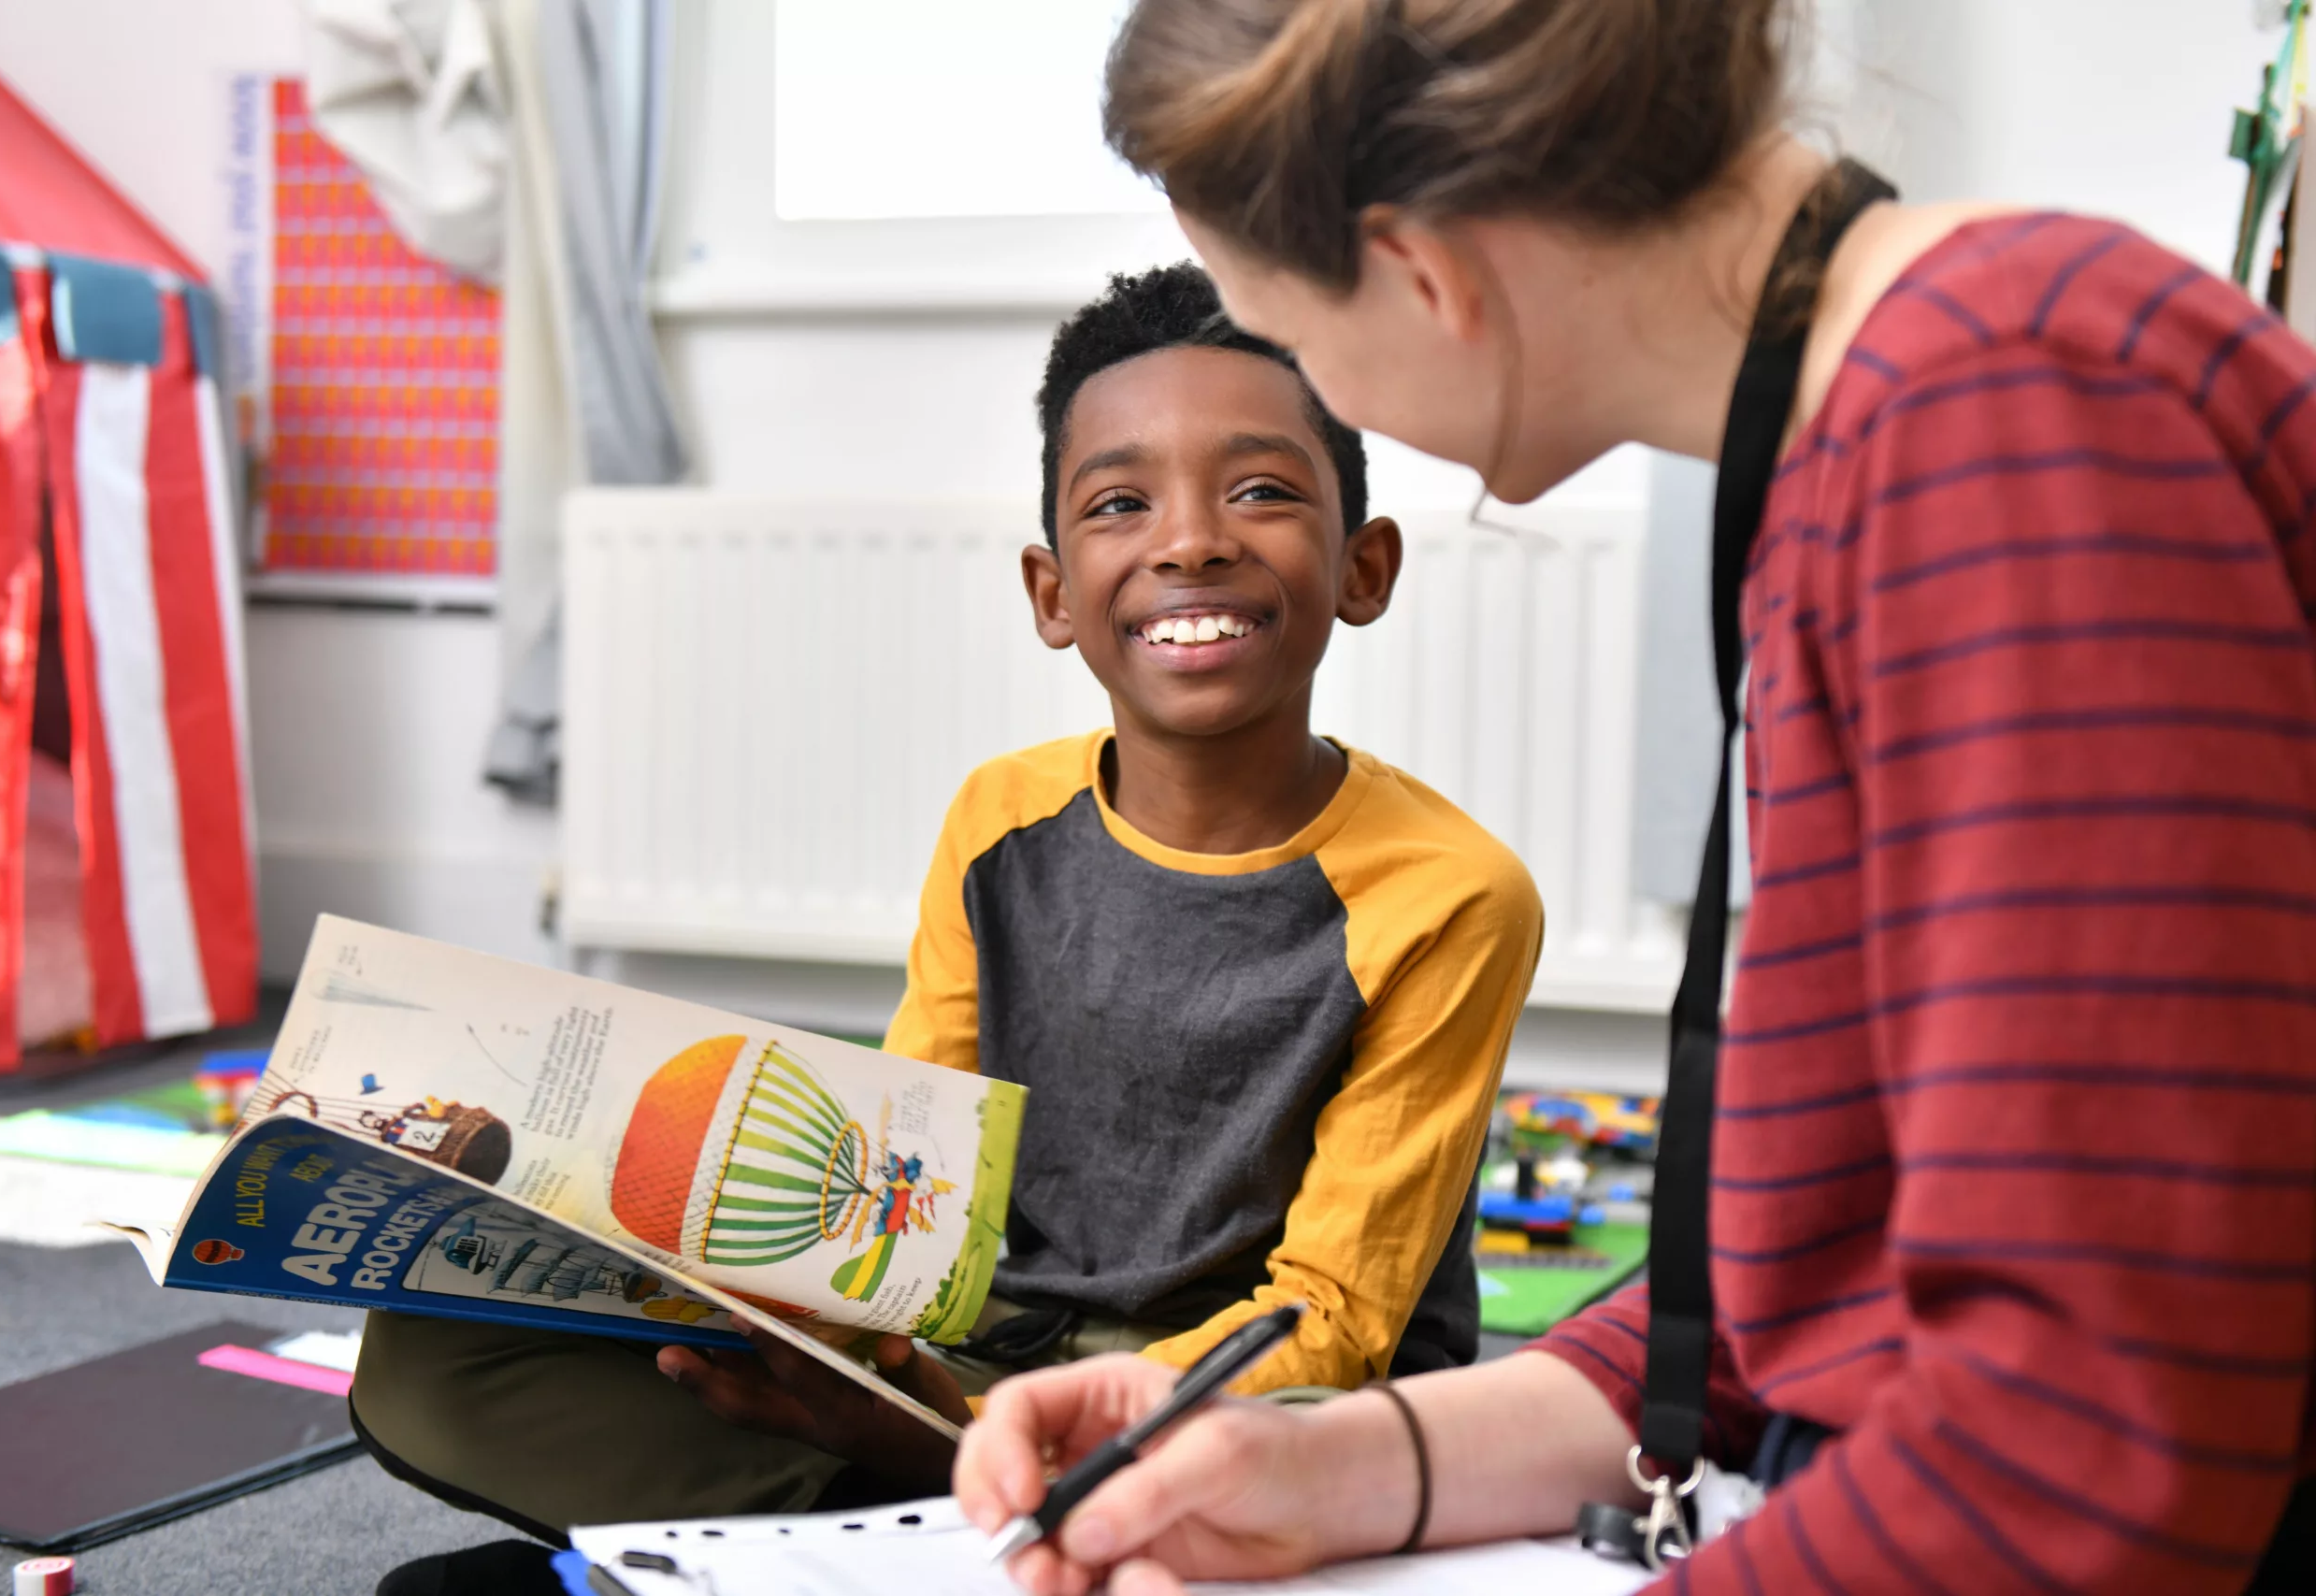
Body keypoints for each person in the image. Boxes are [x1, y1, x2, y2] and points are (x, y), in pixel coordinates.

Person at [953, 4, 2316, 1594]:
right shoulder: (1890, 427)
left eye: (1298, 344)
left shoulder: (1999, 426)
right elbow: (1801, 1260)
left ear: (1424, 274)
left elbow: (2089, 1442)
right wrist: (1322, 1462)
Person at [352, 263, 1545, 1581]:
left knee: (1313, 1439)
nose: (1192, 539)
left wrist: (966, 1427)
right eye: (1121, 502)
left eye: (1261, 490)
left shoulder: (1451, 893)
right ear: (1050, 590)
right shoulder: (999, 819)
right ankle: (955, 1510)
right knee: (439, 1338)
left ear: (1363, 565)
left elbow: (1332, 1322)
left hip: (1240, 1403)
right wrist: (842, 1344)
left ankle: (928, 1510)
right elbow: (907, 1189)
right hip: (986, 1356)